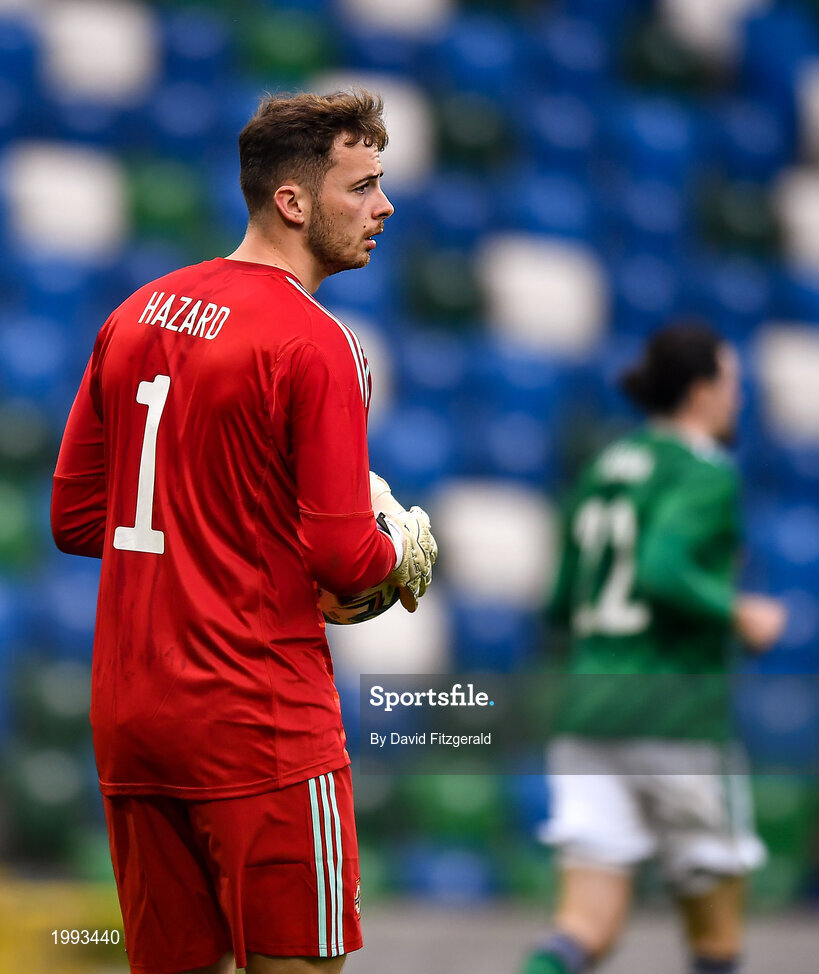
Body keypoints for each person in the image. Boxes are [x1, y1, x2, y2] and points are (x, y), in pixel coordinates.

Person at [51, 89, 437, 974]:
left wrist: (214, 528)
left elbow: (76, 518)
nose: (384, 207)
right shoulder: (315, 342)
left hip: (134, 716)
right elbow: (343, 556)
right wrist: (401, 554)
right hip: (256, 720)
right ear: (293, 202)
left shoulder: (136, 313)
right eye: (363, 185)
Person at [521, 323, 786, 974]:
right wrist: (738, 611)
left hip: (589, 712)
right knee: (715, 931)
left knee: (582, 929)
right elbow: (660, 570)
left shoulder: (604, 468)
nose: (737, 399)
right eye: (730, 384)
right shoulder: (703, 471)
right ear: (699, 392)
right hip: (676, 715)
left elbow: (559, 600)